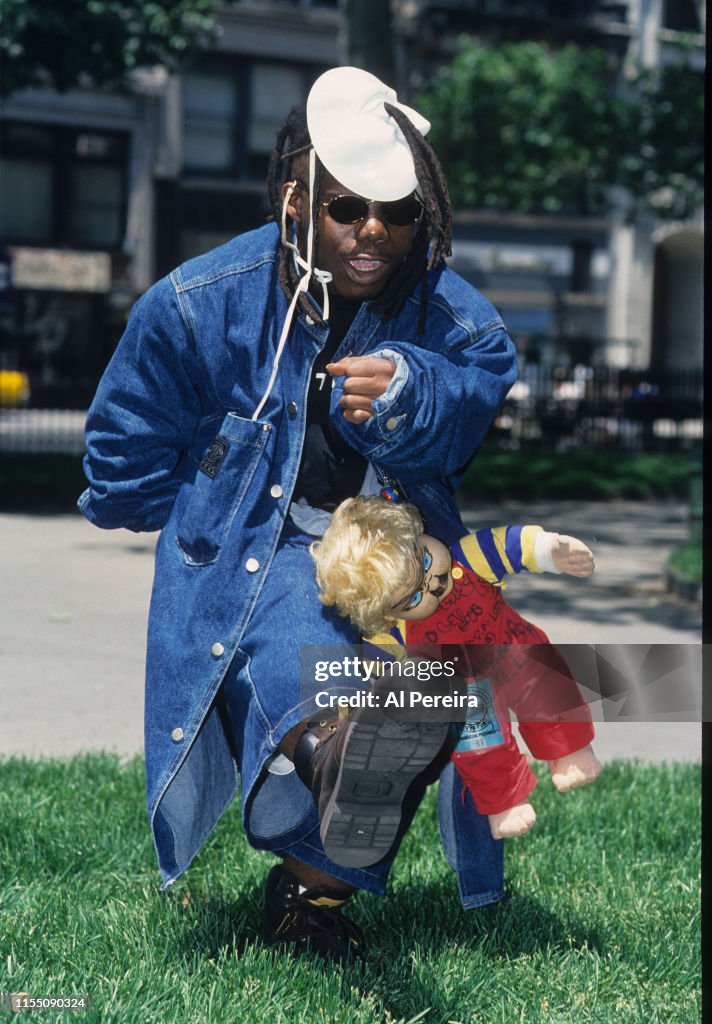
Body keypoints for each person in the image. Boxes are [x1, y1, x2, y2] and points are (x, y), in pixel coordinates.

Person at [78, 66, 519, 962]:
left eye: (399, 214)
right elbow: (121, 452)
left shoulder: (440, 308)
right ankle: (330, 747)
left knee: (434, 708)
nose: (373, 234)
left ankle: (311, 883)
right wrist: (200, 511)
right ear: (297, 198)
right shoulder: (200, 303)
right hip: (263, 549)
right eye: (348, 208)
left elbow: (479, 391)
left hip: (394, 556)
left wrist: (411, 389)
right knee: (295, 632)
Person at [310, 495, 602, 852]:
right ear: (386, 614)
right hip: (467, 690)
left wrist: (550, 551)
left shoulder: (467, 559)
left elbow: (509, 545)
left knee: (550, 689)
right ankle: (505, 803)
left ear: (416, 531)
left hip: (516, 647)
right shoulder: (391, 635)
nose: (433, 584)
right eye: (413, 598)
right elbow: (376, 679)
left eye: (426, 560)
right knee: (481, 746)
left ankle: (570, 751)